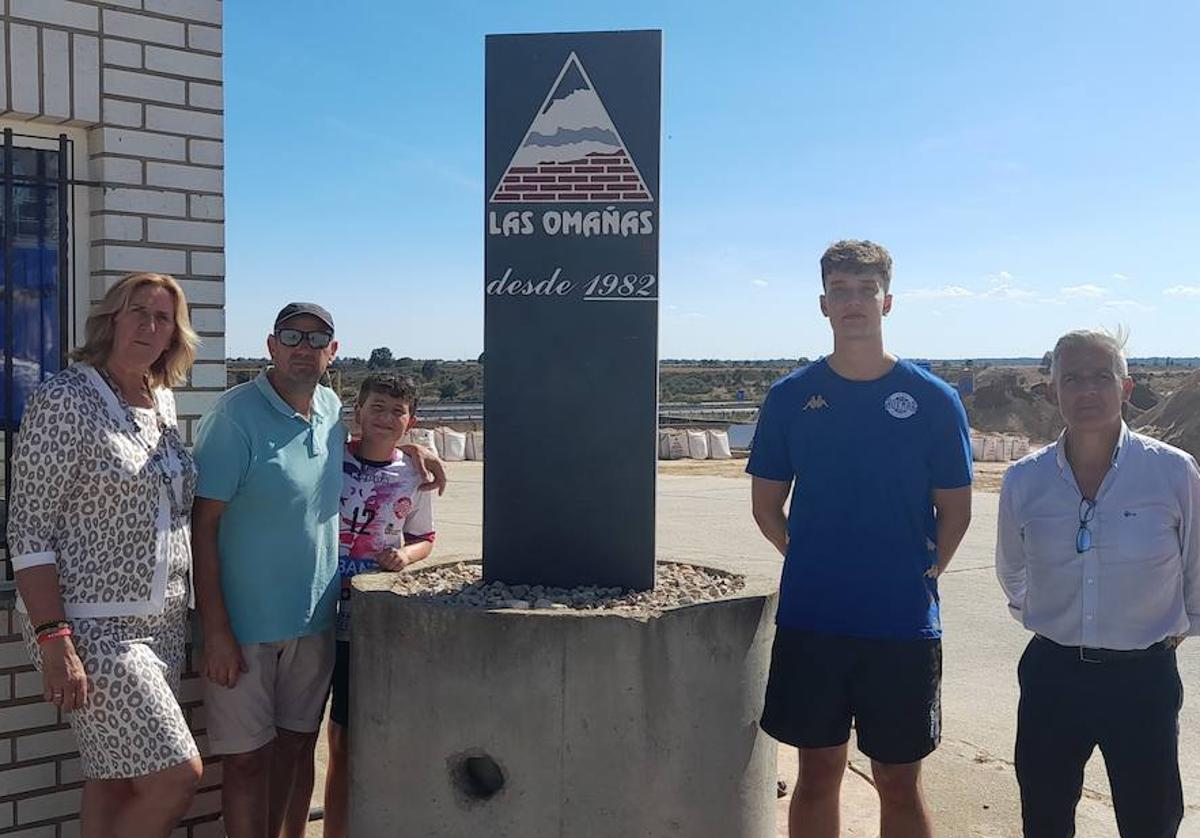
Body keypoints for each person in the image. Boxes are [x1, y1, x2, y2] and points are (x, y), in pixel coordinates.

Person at [190, 303, 444, 838]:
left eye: (317, 339)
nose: (303, 347)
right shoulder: (233, 417)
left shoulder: (329, 408)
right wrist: (215, 630)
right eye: (291, 336)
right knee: (245, 762)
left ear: (332, 353)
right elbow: (202, 526)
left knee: (297, 748)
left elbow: (368, 448)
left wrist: (415, 450)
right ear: (271, 346)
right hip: (244, 628)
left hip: (314, 621)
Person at [748, 240, 972, 838]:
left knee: (899, 782)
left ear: (888, 301)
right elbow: (767, 505)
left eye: (865, 290)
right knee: (818, 772)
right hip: (813, 618)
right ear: (824, 304)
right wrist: (808, 558)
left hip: (901, 624)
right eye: (841, 291)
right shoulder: (790, 397)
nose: (854, 302)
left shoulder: (933, 400)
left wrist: (924, 574)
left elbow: (956, 510)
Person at [9, 272, 203, 837]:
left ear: (174, 334)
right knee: (176, 776)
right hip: (89, 629)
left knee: (114, 776)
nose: (148, 325)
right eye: (136, 311)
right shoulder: (64, 399)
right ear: (111, 319)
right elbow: (29, 531)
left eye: (162, 318)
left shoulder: (161, 399)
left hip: (161, 625)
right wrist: (53, 638)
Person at [996, 328, 1199, 838]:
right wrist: (1045, 617)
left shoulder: (1172, 473)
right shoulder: (1025, 480)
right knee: (1044, 818)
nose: (1087, 391)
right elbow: (1012, 570)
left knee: (1149, 821)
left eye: (1101, 377)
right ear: (1052, 392)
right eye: (1072, 379)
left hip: (1142, 681)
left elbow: (1197, 564)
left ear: (1126, 389)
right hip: (1052, 676)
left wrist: (1179, 626)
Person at [322, 373, 436, 838]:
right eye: (377, 408)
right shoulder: (330, 457)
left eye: (397, 411)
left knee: (349, 738)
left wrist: (404, 556)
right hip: (313, 611)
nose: (386, 419)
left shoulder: (414, 474)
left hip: (366, 620)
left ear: (411, 421)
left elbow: (424, 538)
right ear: (358, 413)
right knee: (320, 737)